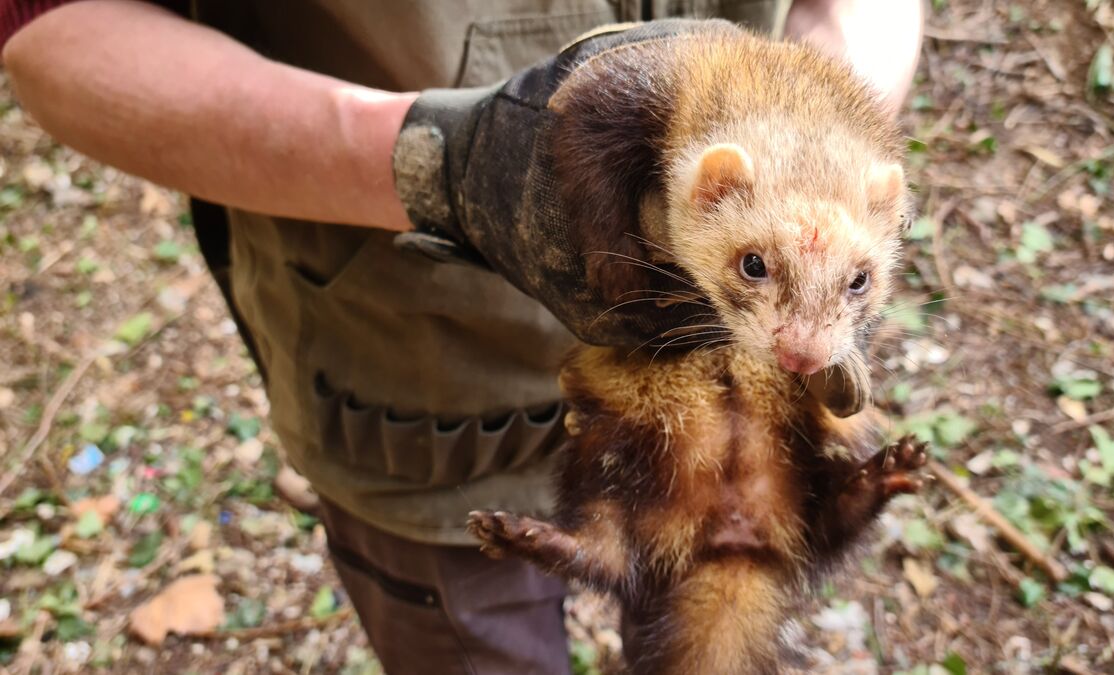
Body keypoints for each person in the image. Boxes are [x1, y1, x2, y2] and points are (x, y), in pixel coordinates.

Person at [1, 1, 923, 672]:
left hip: (696, 399)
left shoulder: (784, 269)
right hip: (412, 394)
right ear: (712, 188)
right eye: (762, 272)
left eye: (857, 286)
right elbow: (48, 32)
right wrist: (428, 161)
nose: (814, 343)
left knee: (718, 591)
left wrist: (832, 119)